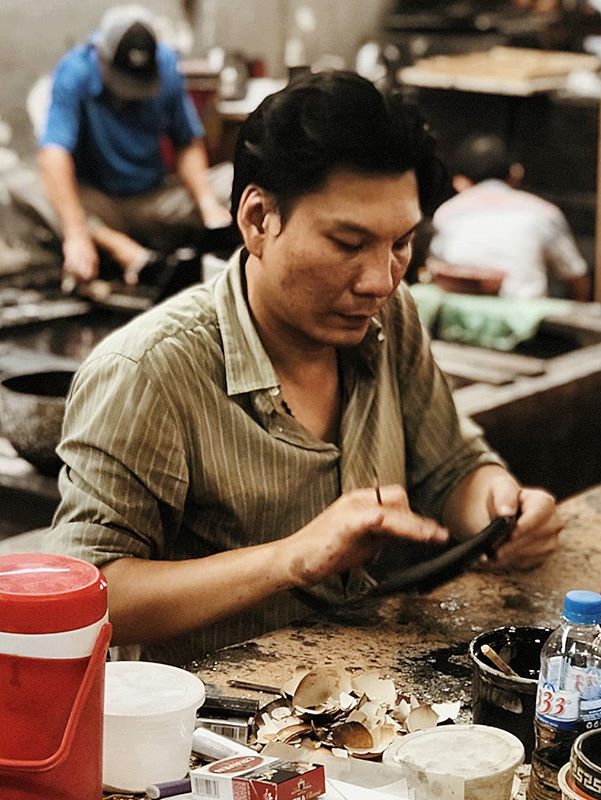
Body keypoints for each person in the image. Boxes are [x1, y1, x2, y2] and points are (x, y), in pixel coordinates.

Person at [45, 72, 562, 665]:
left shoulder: (389, 320)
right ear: (258, 219)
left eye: (400, 243)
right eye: (347, 243)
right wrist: (291, 557)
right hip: (212, 736)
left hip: (360, 697)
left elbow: (451, 469)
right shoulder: (148, 371)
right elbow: (88, 594)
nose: (380, 279)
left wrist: (500, 508)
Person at [9, 5, 231, 287]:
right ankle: (123, 250)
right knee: (27, 185)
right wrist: (76, 232)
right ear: (101, 57)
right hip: (97, 205)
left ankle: (146, 249)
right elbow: (54, 154)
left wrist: (207, 204)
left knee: (236, 182)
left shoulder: (166, 67)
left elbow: (187, 143)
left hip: (153, 199)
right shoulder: (75, 70)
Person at [429, 134, 590, 300]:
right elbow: (575, 275)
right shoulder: (543, 212)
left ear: (460, 182)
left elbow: (436, 268)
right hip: (527, 318)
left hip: (458, 318)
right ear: (515, 173)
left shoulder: (447, 213)